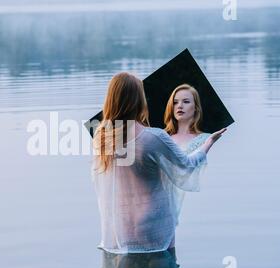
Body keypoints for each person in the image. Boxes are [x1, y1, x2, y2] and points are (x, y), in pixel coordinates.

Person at [91, 72, 225, 254]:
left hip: (119, 226)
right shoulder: (153, 137)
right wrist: (209, 143)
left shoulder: (101, 136)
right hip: (153, 225)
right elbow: (186, 166)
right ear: (138, 99)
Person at [163, 84, 210, 228]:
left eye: (186, 101)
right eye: (175, 102)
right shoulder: (162, 137)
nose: (180, 106)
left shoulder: (205, 139)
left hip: (188, 206)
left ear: (196, 107)